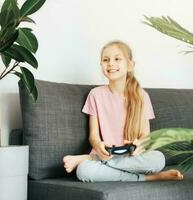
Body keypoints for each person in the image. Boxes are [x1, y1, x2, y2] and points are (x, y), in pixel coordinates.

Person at [63, 40, 184, 182]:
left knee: (158, 159)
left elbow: (146, 136)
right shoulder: (95, 94)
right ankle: (150, 178)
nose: (110, 63)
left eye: (117, 59)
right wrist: (97, 145)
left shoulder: (142, 96)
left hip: (132, 157)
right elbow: (93, 136)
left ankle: (91, 158)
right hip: (105, 154)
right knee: (84, 171)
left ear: (130, 65)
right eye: (105, 60)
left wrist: (140, 145)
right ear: (101, 64)